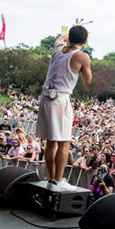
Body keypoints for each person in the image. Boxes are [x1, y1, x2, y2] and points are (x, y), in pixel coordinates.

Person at [35, 25, 93, 191]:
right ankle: (58, 180)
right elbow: (88, 81)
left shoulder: (59, 49)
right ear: (85, 40)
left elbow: (60, 39)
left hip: (46, 98)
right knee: (64, 142)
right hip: (60, 99)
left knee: (51, 142)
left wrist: (71, 34)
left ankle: (52, 179)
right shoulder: (82, 56)